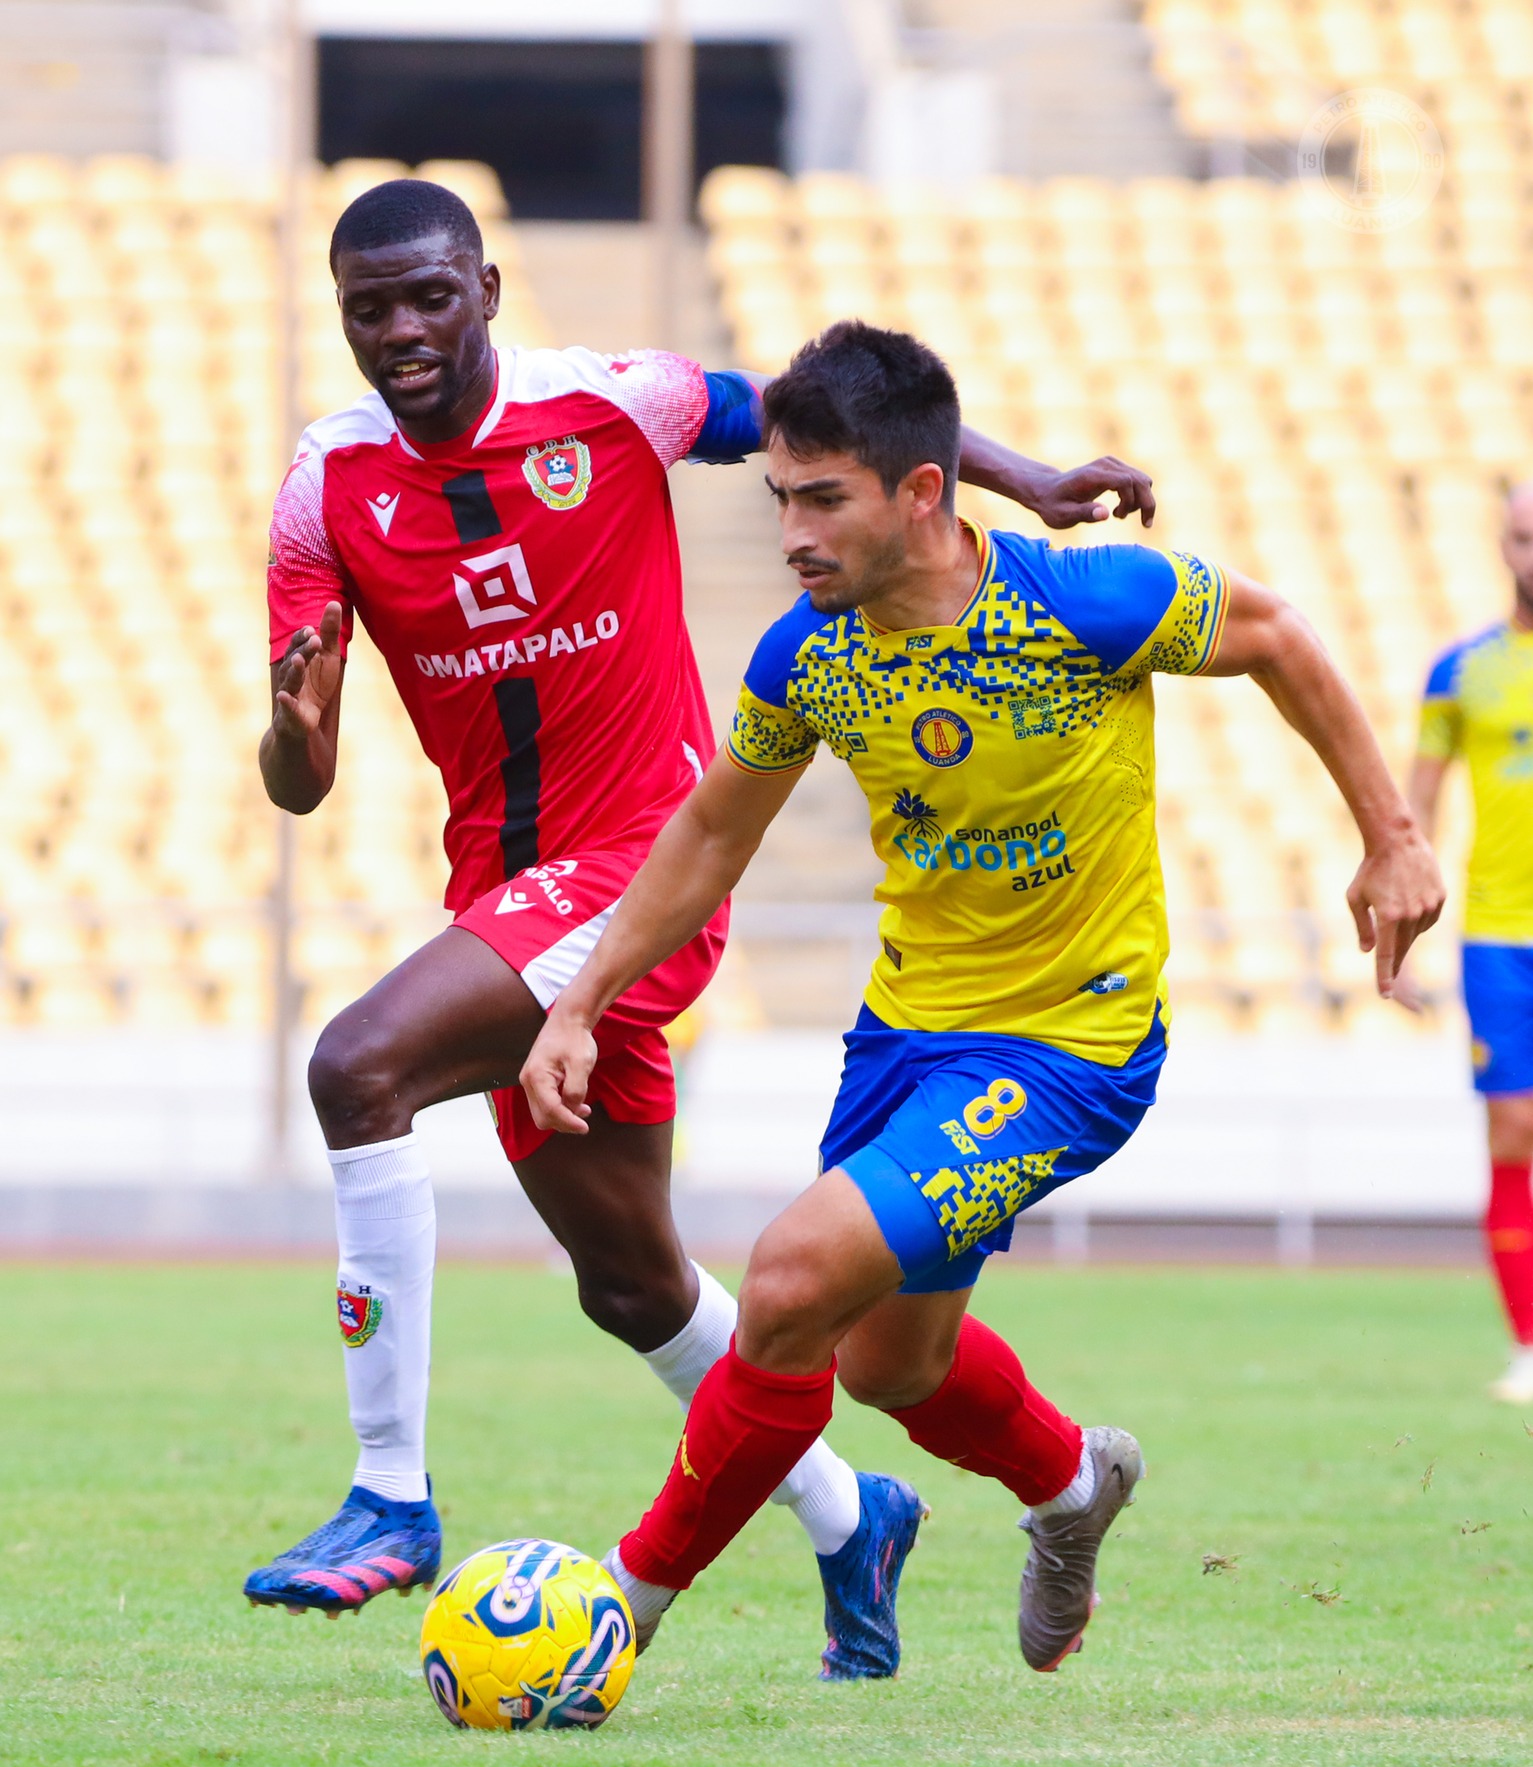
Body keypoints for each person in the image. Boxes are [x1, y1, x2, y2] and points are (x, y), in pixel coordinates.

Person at [245, 180, 1160, 1679]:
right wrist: (290, 729)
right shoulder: (322, 487)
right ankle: (852, 1516)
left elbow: (838, 428)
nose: (402, 329)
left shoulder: (617, 406)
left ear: (483, 285)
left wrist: (1032, 480)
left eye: (428, 296)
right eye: (369, 307)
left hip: (641, 867)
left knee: (357, 1070)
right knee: (635, 1286)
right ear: (342, 314)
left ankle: (388, 1498)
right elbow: (302, 778)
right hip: (504, 894)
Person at [521, 321, 1445, 1673]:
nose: (792, 532)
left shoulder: (1085, 604)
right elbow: (714, 832)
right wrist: (581, 998)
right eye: (779, 497)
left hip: (1070, 1044)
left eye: (822, 499)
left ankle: (616, 1612)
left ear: (921, 493)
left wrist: (1392, 832)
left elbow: (1277, 635)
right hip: (907, 1034)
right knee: (887, 1366)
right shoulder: (808, 658)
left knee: (784, 1283)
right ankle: (1074, 1485)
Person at [1407, 483, 1533, 1403]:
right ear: (1501, 545)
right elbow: (1413, 807)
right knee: (1512, 1129)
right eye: (1522, 538)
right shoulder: (1461, 672)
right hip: (1497, 934)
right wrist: (1403, 935)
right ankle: (1529, 1345)